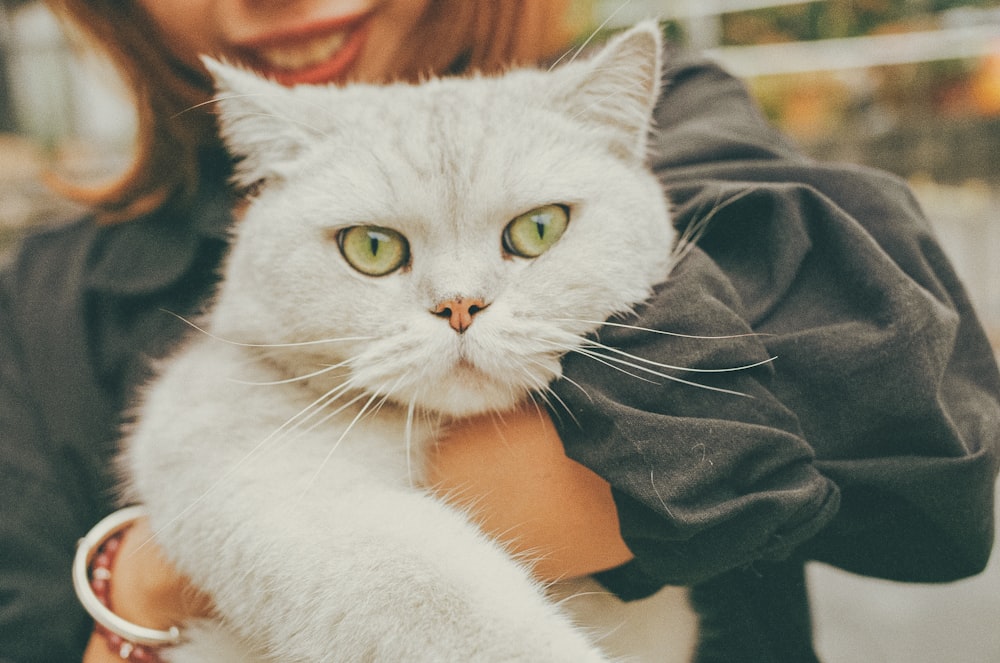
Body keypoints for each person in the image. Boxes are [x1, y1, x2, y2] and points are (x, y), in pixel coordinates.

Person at [0, 1, 997, 661]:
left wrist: (166, 566)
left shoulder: (676, 121)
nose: (459, 305)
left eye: (532, 232)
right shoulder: (48, 288)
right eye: (377, 250)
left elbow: (900, 393)